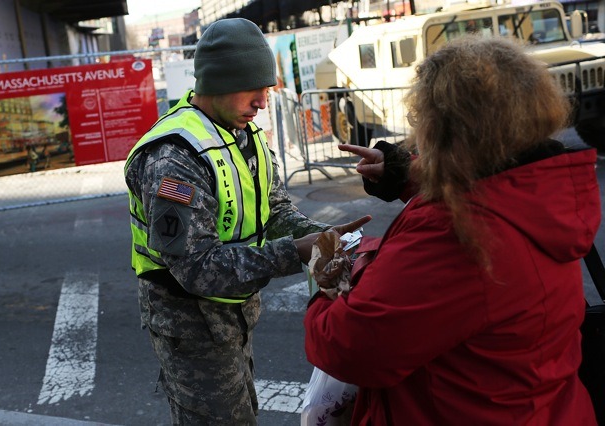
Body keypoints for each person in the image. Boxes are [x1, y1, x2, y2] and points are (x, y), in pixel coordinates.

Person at [303, 35, 600, 425]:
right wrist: (402, 173)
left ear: (445, 130)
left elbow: (350, 348)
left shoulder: (458, 233)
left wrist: (323, 287)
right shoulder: (536, 186)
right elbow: (484, 178)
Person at [124, 18, 369, 425]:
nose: (262, 102)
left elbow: (274, 211)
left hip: (234, 312)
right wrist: (295, 252)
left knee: (240, 413)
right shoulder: (174, 158)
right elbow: (197, 269)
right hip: (191, 325)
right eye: (253, 89)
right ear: (218, 82)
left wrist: (321, 238)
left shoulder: (245, 133)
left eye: (267, 89)